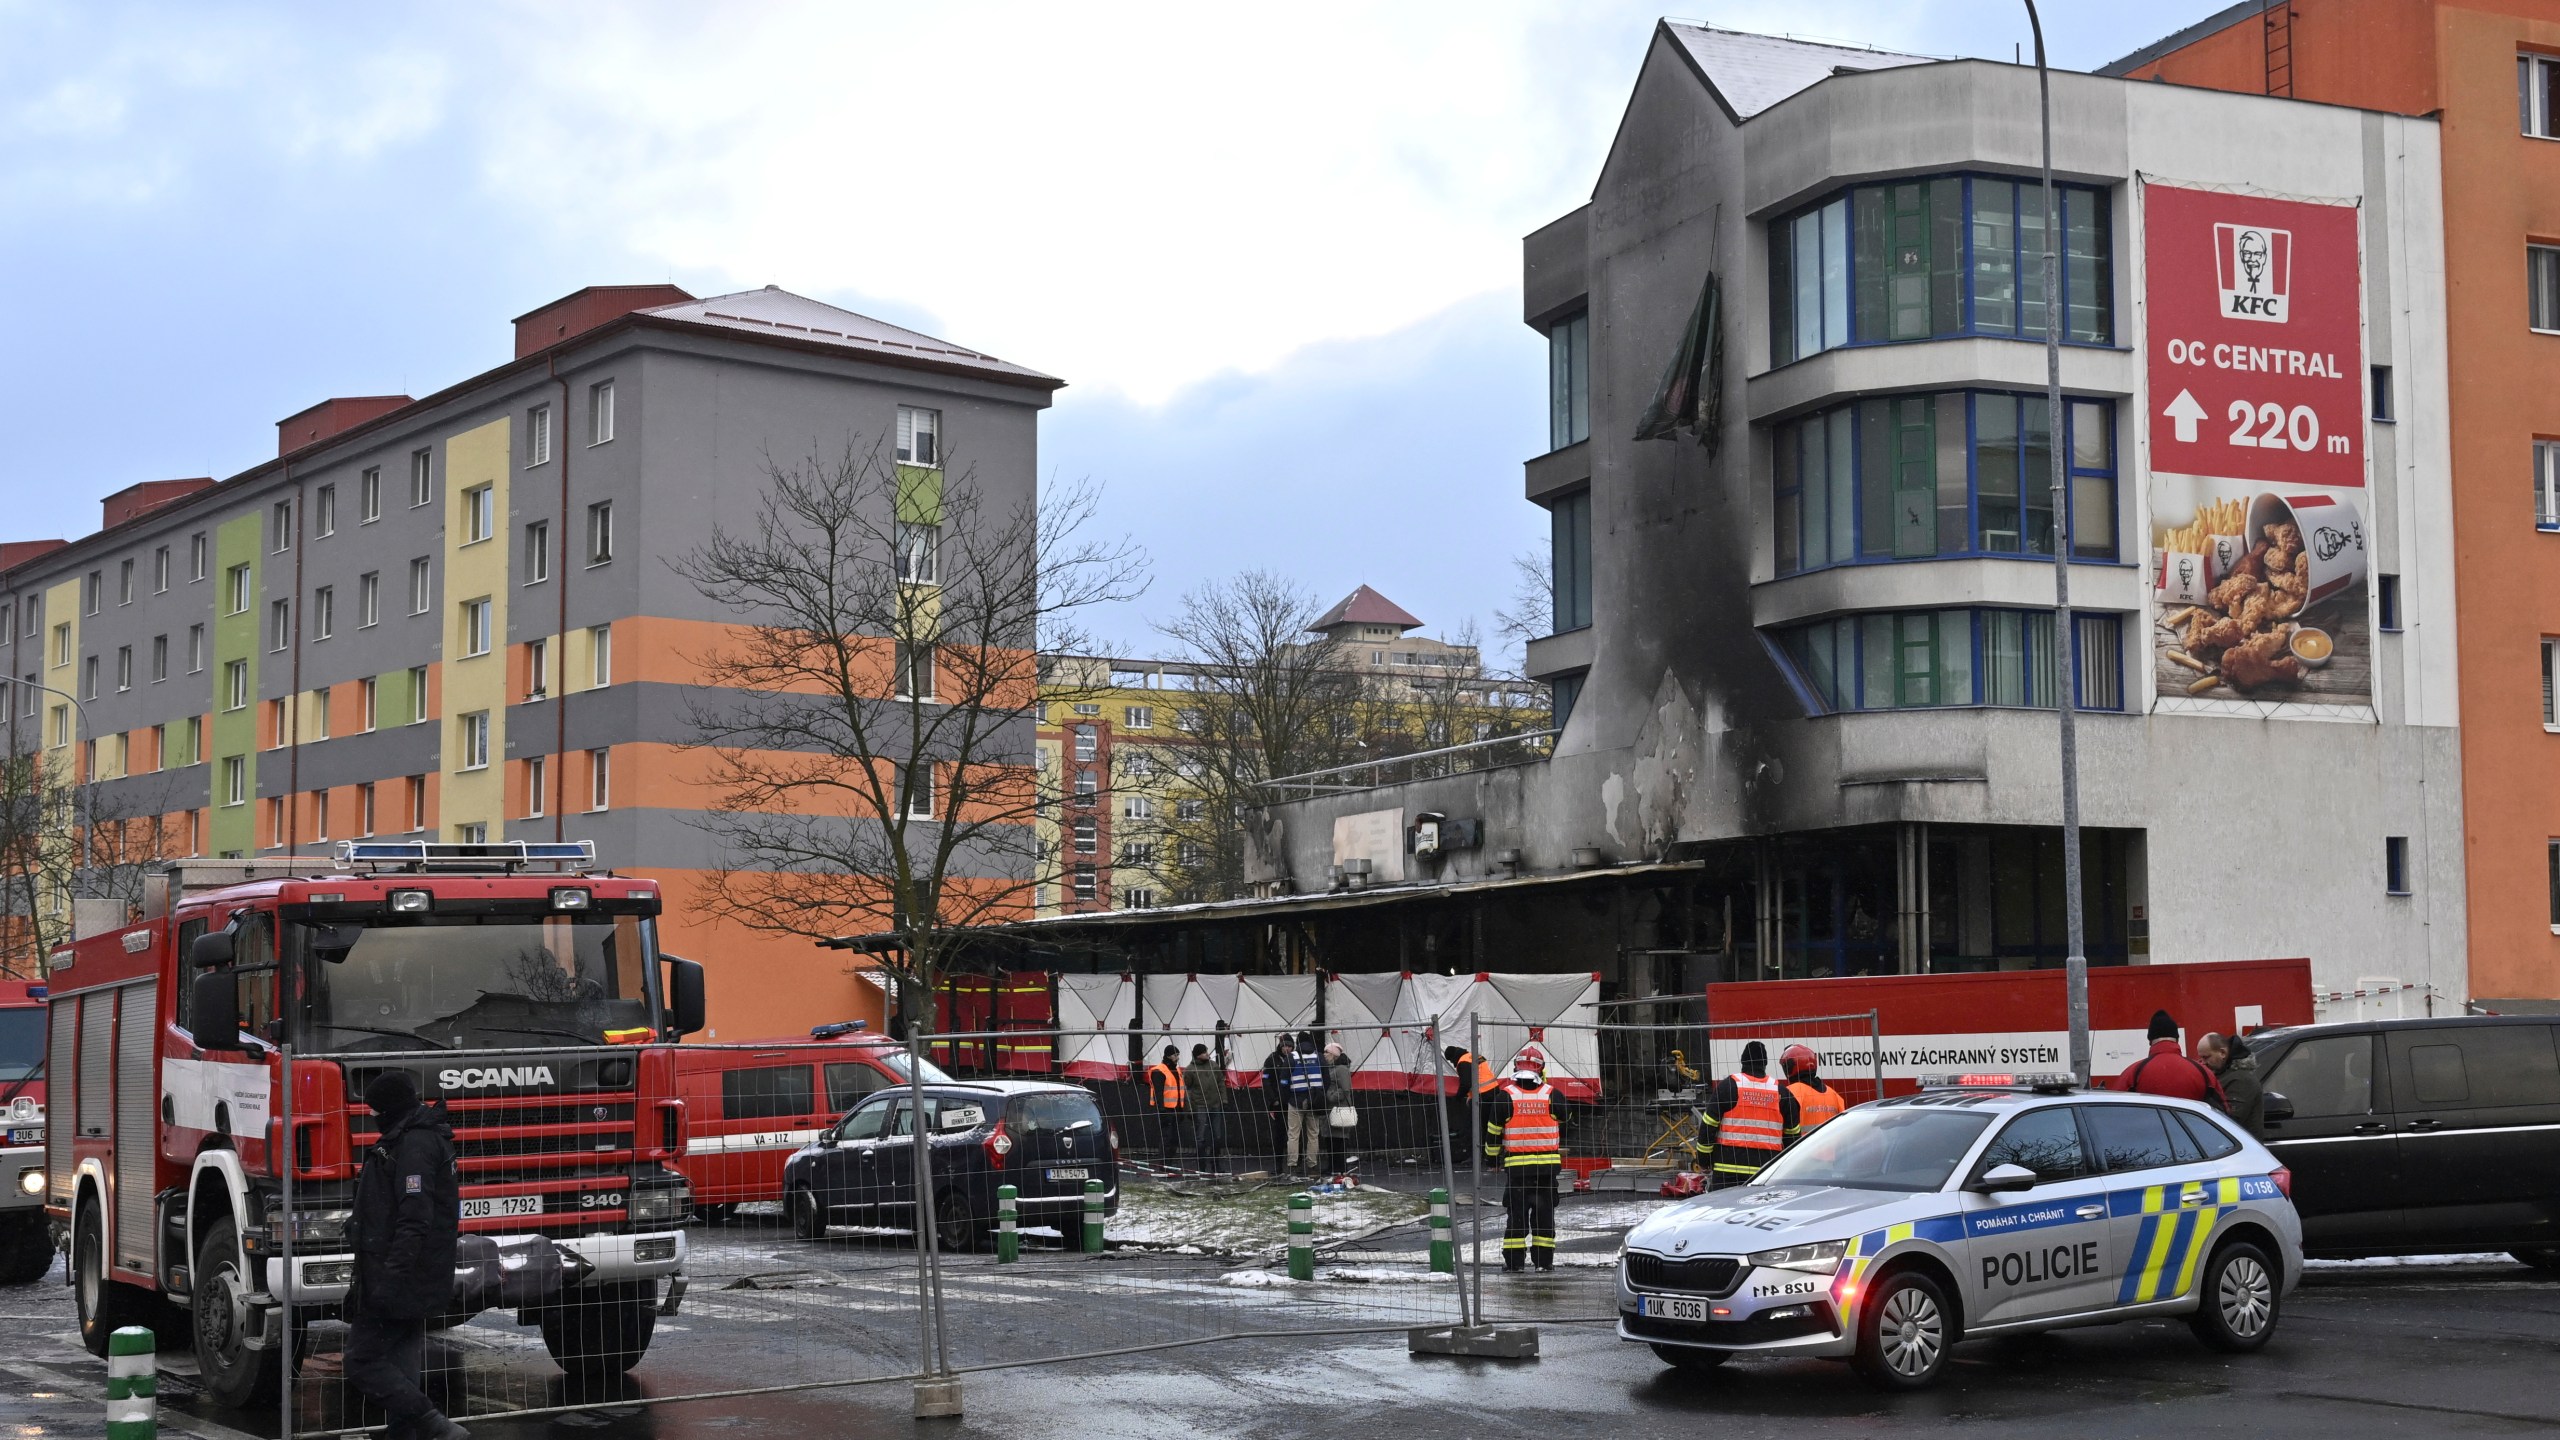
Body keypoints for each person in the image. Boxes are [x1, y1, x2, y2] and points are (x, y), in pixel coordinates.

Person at [345, 1069, 469, 1440]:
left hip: (401, 1274)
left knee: (361, 1360)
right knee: (401, 1357)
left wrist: (389, 1278)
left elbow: (415, 1219)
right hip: (412, 1272)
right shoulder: (412, 1138)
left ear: (391, 1109)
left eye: (375, 1111)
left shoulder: (414, 1146)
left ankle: (435, 1426)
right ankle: (406, 1433)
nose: (372, 1118)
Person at [1482, 1057, 1562, 1272]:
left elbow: (1493, 1134)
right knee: (1544, 1217)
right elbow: (1567, 1116)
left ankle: (1515, 1263)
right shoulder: (1552, 1094)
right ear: (1541, 1070)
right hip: (1546, 1171)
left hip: (1517, 1172)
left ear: (1515, 1069)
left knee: (1516, 1217)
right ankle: (1544, 1263)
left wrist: (1492, 1160)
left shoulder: (1504, 1097)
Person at [1695, 1041, 1800, 1189]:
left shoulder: (1728, 1086)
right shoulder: (1782, 1093)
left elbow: (1708, 1126)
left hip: (1727, 1171)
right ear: (1765, 1063)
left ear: (1743, 1062)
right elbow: (1793, 1136)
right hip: (1766, 1173)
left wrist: (1704, 1161)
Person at [2113, 1010, 2228, 1109]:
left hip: (2146, 1133)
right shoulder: (2203, 1073)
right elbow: (2223, 1114)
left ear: (2150, 1041)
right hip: (2190, 1134)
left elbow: (2111, 1112)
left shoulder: (2133, 1073)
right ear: (2177, 1040)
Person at [2197, 1031, 2265, 1135]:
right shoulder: (2224, 1075)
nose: (2203, 1062)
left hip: (2241, 1148)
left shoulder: (2242, 1080)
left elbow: (2229, 1121)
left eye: (2206, 1057)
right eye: (2200, 1058)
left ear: (2222, 1053)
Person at [1283, 1031, 1327, 1177]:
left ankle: (1292, 1166)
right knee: (1313, 1134)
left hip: (1296, 1100)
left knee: (1293, 1134)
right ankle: (1312, 1167)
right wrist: (1319, 1095)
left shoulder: (1292, 1057)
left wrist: (1287, 1097)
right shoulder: (1319, 1056)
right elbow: (1326, 1080)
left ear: (1298, 1043)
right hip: (1315, 1102)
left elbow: (1284, 1081)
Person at [1183, 1042, 1230, 1171]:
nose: (1207, 1054)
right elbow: (1188, 1090)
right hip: (1200, 1106)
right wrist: (1190, 1109)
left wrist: (1223, 1100)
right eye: (1204, 1052)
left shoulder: (1213, 1066)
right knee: (1201, 1137)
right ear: (1198, 1055)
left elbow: (1221, 1083)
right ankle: (1201, 1167)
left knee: (1217, 1136)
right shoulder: (1190, 1070)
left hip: (1215, 1105)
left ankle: (1216, 1165)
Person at [1780, 1044, 1846, 1133]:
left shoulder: (1790, 1092)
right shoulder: (1834, 1095)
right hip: (1831, 1146)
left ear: (1790, 1066)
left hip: (1803, 1146)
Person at [1259, 1034, 1297, 1172]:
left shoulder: (1295, 1058)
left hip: (1293, 1101)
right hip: (1278, 1103)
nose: (1287, 1049)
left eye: (1289, 1046)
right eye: (1284, 1046)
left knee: (1294, 1133)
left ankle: (1294, 1164)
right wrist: (1273, 1099)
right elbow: (1266, 1081)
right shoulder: (1272, 1059)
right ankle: (1278, 1164)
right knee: (1279, 1134)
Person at [1145, 1044, 1188, 1161]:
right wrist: (1162, 1110)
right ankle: (1164, 1163)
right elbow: (1158, 1093)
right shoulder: (1159, 1071)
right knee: (1167, 1137)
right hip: (1166, 1109)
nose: (1177, 1057)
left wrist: (1181, 1109)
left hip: (1176, 1109)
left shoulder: (1176, 1070)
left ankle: (1169, 1162)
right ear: (1168, 1056)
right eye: (1175, 1055)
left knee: (1174, 1138)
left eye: (1178, 1055)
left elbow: (1179, 1091)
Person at [1320, 1041, 1356, 1177]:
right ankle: (1332, 1166)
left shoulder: (1341, 1069)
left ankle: (1340, 1168)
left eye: (1326, 1052)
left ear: (1334, 1055)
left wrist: (1331, 1096)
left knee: (1339, 1140)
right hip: (1331, 1109)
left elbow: (1346, 1089)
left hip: (1339, 1108)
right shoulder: (1331, 1068)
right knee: (1331, 1140)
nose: (1324, 1055)